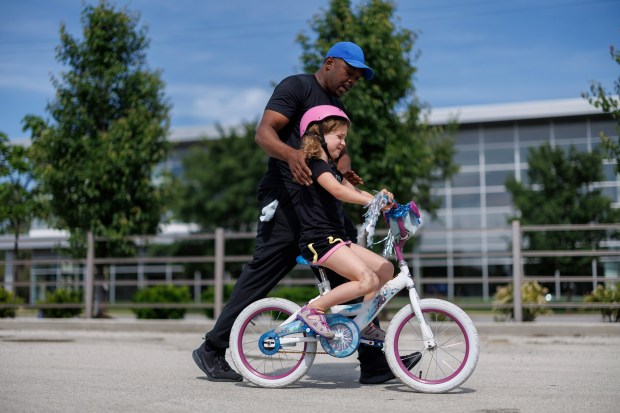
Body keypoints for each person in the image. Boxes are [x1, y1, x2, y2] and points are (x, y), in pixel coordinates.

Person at [192, 41, 403, 384]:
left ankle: (374, 360)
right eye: (349, 72)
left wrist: (345, 172)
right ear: (330, 63)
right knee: (263, 274)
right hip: (288, 201)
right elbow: (264, 133)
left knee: (356, 271)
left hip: (321, 201)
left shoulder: (336, 104)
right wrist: (291, 155)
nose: (352, 80)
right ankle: (213, 348)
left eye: (358, 77)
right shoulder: (297, 87)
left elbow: (337, 152)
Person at [293, 105, 394, 340]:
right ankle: (313, 310)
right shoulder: (315, 165)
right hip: (319, 241)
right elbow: (339, 191)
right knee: (367, 279)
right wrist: (373, 203)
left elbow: (357, 192)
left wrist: (386, 203)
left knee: (385, 269)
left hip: (336, 240)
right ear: (317, 135)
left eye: (344, 138)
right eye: (339, 136)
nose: (343, 143)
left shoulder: (333, 169)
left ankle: (364, 322)